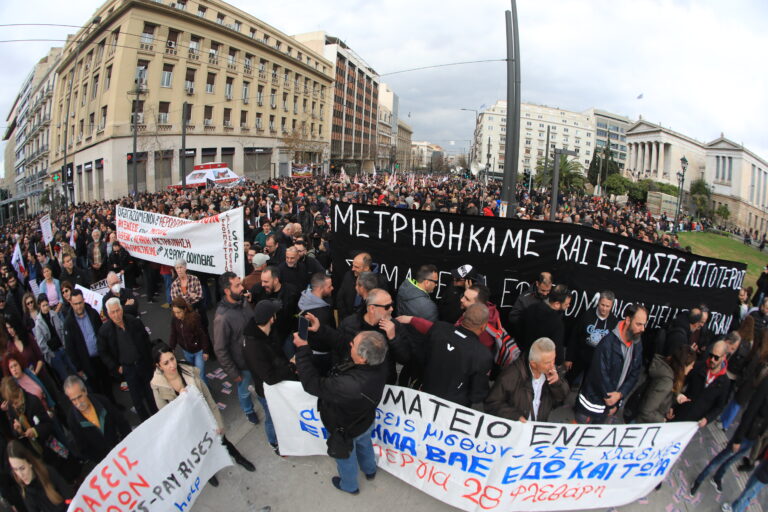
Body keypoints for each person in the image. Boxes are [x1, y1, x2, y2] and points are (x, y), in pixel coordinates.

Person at [293, 329, 388, 495]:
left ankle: (349, 485)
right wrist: (320, 328)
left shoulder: (348, 386)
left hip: (345, 429)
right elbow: (344, 341)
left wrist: (302, 350)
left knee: (346, 459)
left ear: (363, 358)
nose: (350, 343)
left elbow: (312, 384)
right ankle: (370, 470)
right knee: (365, 444)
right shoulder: (379, 363)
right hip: (365, 421)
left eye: (353, 344)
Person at [150, 343, 254, 486]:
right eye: (166, 363)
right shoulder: (157, 385)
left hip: (204, 417)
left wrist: (218, 422)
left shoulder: (188, 371)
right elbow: (167, 415)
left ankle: (238, 458)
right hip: (187, 426)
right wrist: (180, 401)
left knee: (223, 441)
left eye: (172, 359)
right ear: (159, 366)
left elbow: (208, 398)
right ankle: (209, 473)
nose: (172, 365)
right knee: (201, 451)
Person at [398, 303, 492, 407]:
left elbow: (420, 358)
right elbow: (477, 393)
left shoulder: (438, 328)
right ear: (484, 327)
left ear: (463, 316)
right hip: (452, 409)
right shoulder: (483, 354)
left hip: (423, 396)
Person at [691, 375, 768, 496]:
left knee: (732, 460)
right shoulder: (765, 383)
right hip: (746, 433)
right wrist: (738, 438)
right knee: (722, 457)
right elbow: (750, 411)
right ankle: (699, 480)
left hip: (755, 436)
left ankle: (718, 476)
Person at [242, 300, 298, 454]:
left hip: (278, 384)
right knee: (272, 418)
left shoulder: (264, 332)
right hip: (267, 392)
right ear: (271, 318)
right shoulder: (254, 347)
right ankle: (274, 442)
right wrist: (291, 367)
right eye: (274, 314)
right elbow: (270, 377)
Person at [576, 304, 646, 424]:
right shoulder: (607, 343)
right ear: (628, 320)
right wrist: (611, 398)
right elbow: (600, 373)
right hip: (594, 402)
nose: (642, 329)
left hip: (613, 402)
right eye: (639, 324)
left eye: (644, 324)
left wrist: (620, 395)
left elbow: (635, 373)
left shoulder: (637, 344)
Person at [97, 298, 157, 421]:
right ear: (108, 314)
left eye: (118, 310)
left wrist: (151, 360)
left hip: (142, 364)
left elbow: (146, 341)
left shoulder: (134, 321)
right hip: (128, 369)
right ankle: (146, 422)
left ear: (122, 309)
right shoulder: (104, 331)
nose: (116, 314)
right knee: (137, 399)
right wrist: (116, 367)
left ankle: (157, 415)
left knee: (151, 393)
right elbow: (103, 353)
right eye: (112, 312)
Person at [484, 337, 569, 422]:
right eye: (547, 363)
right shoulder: (509, 376)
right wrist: (515, 417)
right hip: (516, 428)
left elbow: (561, 398)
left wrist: (557, 383)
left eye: (553, 359)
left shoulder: (553, 372)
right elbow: (492, 403)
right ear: (533, 364)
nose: (552, 365)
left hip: (537, 427)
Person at [213, 272, 259, 425]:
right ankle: (248, 410)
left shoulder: (243, 301)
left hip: (255, 357)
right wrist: (233, 373)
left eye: (240, 284)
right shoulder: (222, 318)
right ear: (227, 290)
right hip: (242, 365)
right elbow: (220, 349)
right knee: (244, 391)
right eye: (237, 285)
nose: (242, 287)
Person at [63, 375, 130, 468]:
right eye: (73, 400)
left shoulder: (102, 401)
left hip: (122, 449)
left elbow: (121, 421)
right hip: (105, 463)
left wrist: (126, 443)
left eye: (79, 397)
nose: (78, 403)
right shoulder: (72, 420)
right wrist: (103, 461)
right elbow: (83, 448)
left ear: (85, 391)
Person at [63, 289, 113, 402]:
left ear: (84, 300)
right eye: (75, 304)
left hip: (100, 356)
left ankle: (113, 404)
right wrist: (78, 368)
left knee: (107, 383)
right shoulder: (69, 323)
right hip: (86, 361)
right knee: (95, 388)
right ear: (71, 303)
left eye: (80, 302)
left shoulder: (92, 313)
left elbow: (101, 333)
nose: (79, 306)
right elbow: (70, 348)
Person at [671, 340, 730, 427]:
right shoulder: (698, 366)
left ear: (724, 357)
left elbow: (719, 406)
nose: (712, 359)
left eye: (716, 357)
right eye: (711, 355)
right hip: (680, 412)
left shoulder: (725, 382)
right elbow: (681, 383)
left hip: (694, 422)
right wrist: (673, 403)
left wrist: (707, 419)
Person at [633, 345, 696, 423]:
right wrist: (662, 420)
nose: (692, 368)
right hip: (642, 425)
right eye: (691, 365)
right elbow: (646, 412)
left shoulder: (666, 370)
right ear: (683, 366)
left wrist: (675, 398)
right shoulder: (666, 382)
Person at [565, 290, 618, 382]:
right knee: (568, 381)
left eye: (607, 306)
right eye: (602, 305)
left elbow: (613, 345)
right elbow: (574, 336)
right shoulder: (587, 315)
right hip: (580, 356)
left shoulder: (613, 321)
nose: (604, 309)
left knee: (587, 386)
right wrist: (569, 358)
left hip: (597, 361)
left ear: (612, 306)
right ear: (598, 302)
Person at [7, 440, 72, 512]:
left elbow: (68, 495)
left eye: (22, 468)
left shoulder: (48, 472)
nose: (20, 475)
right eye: (15, 470)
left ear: (30, 463)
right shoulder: (26, 493)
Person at [518, 284, 571, 363]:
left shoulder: (531, 308)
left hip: (523, 355)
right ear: (557, 304)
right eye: (566, 304)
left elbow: (519, 328)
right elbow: (557, 353)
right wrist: (559, 361)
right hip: (539, 362)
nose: (569, 306)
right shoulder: (557, 323)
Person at [33, 295, 76, 383]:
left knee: (74, 369)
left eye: (47, 305)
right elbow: (41, 344)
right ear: (39, 306)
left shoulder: (53, 314)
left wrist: (65, 345)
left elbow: (62, 329)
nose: (46, 307)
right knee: (65, 377)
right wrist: (51, 355)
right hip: (53, 353)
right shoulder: (38, 323)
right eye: (43, 306)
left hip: (62, 347)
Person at [251, 266, 299, 344]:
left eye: (266, 282)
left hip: (286, 336)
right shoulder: (258, 289)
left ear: (276, 280)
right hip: (266, 337)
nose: (262, 284)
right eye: (262, 281)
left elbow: (297, 313)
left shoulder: (291, 292)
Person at [169, 297, 210, 387]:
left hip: (198, 351)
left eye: (178, 312)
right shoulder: (175, 320)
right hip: (186, 351)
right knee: (193, 374)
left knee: (200, 374)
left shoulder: (194, 318)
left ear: (184, 309)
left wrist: (206, 351)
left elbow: (202, 334)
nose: (176, 315)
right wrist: (171, 348)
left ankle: (205, 393)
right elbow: (174, 334)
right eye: (174, 312)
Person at [508, 272, 553, 337]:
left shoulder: (553, 296)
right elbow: (513, 317)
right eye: (543, 290)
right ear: (537, 284)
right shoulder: (524, 298)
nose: (545, 293)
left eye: (548, 290)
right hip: (527, 337)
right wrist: (528, 320)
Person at [170, 259, 207, 332]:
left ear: (185, 268)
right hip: (184, 316)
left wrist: (182, 299)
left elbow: (199, 296)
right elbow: (176, 302)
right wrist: (190, 295)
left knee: (203, 333)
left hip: (197, 313)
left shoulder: (194, 279)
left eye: (181, 267)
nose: (179, 270)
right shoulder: (174, 284)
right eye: (177, 268)